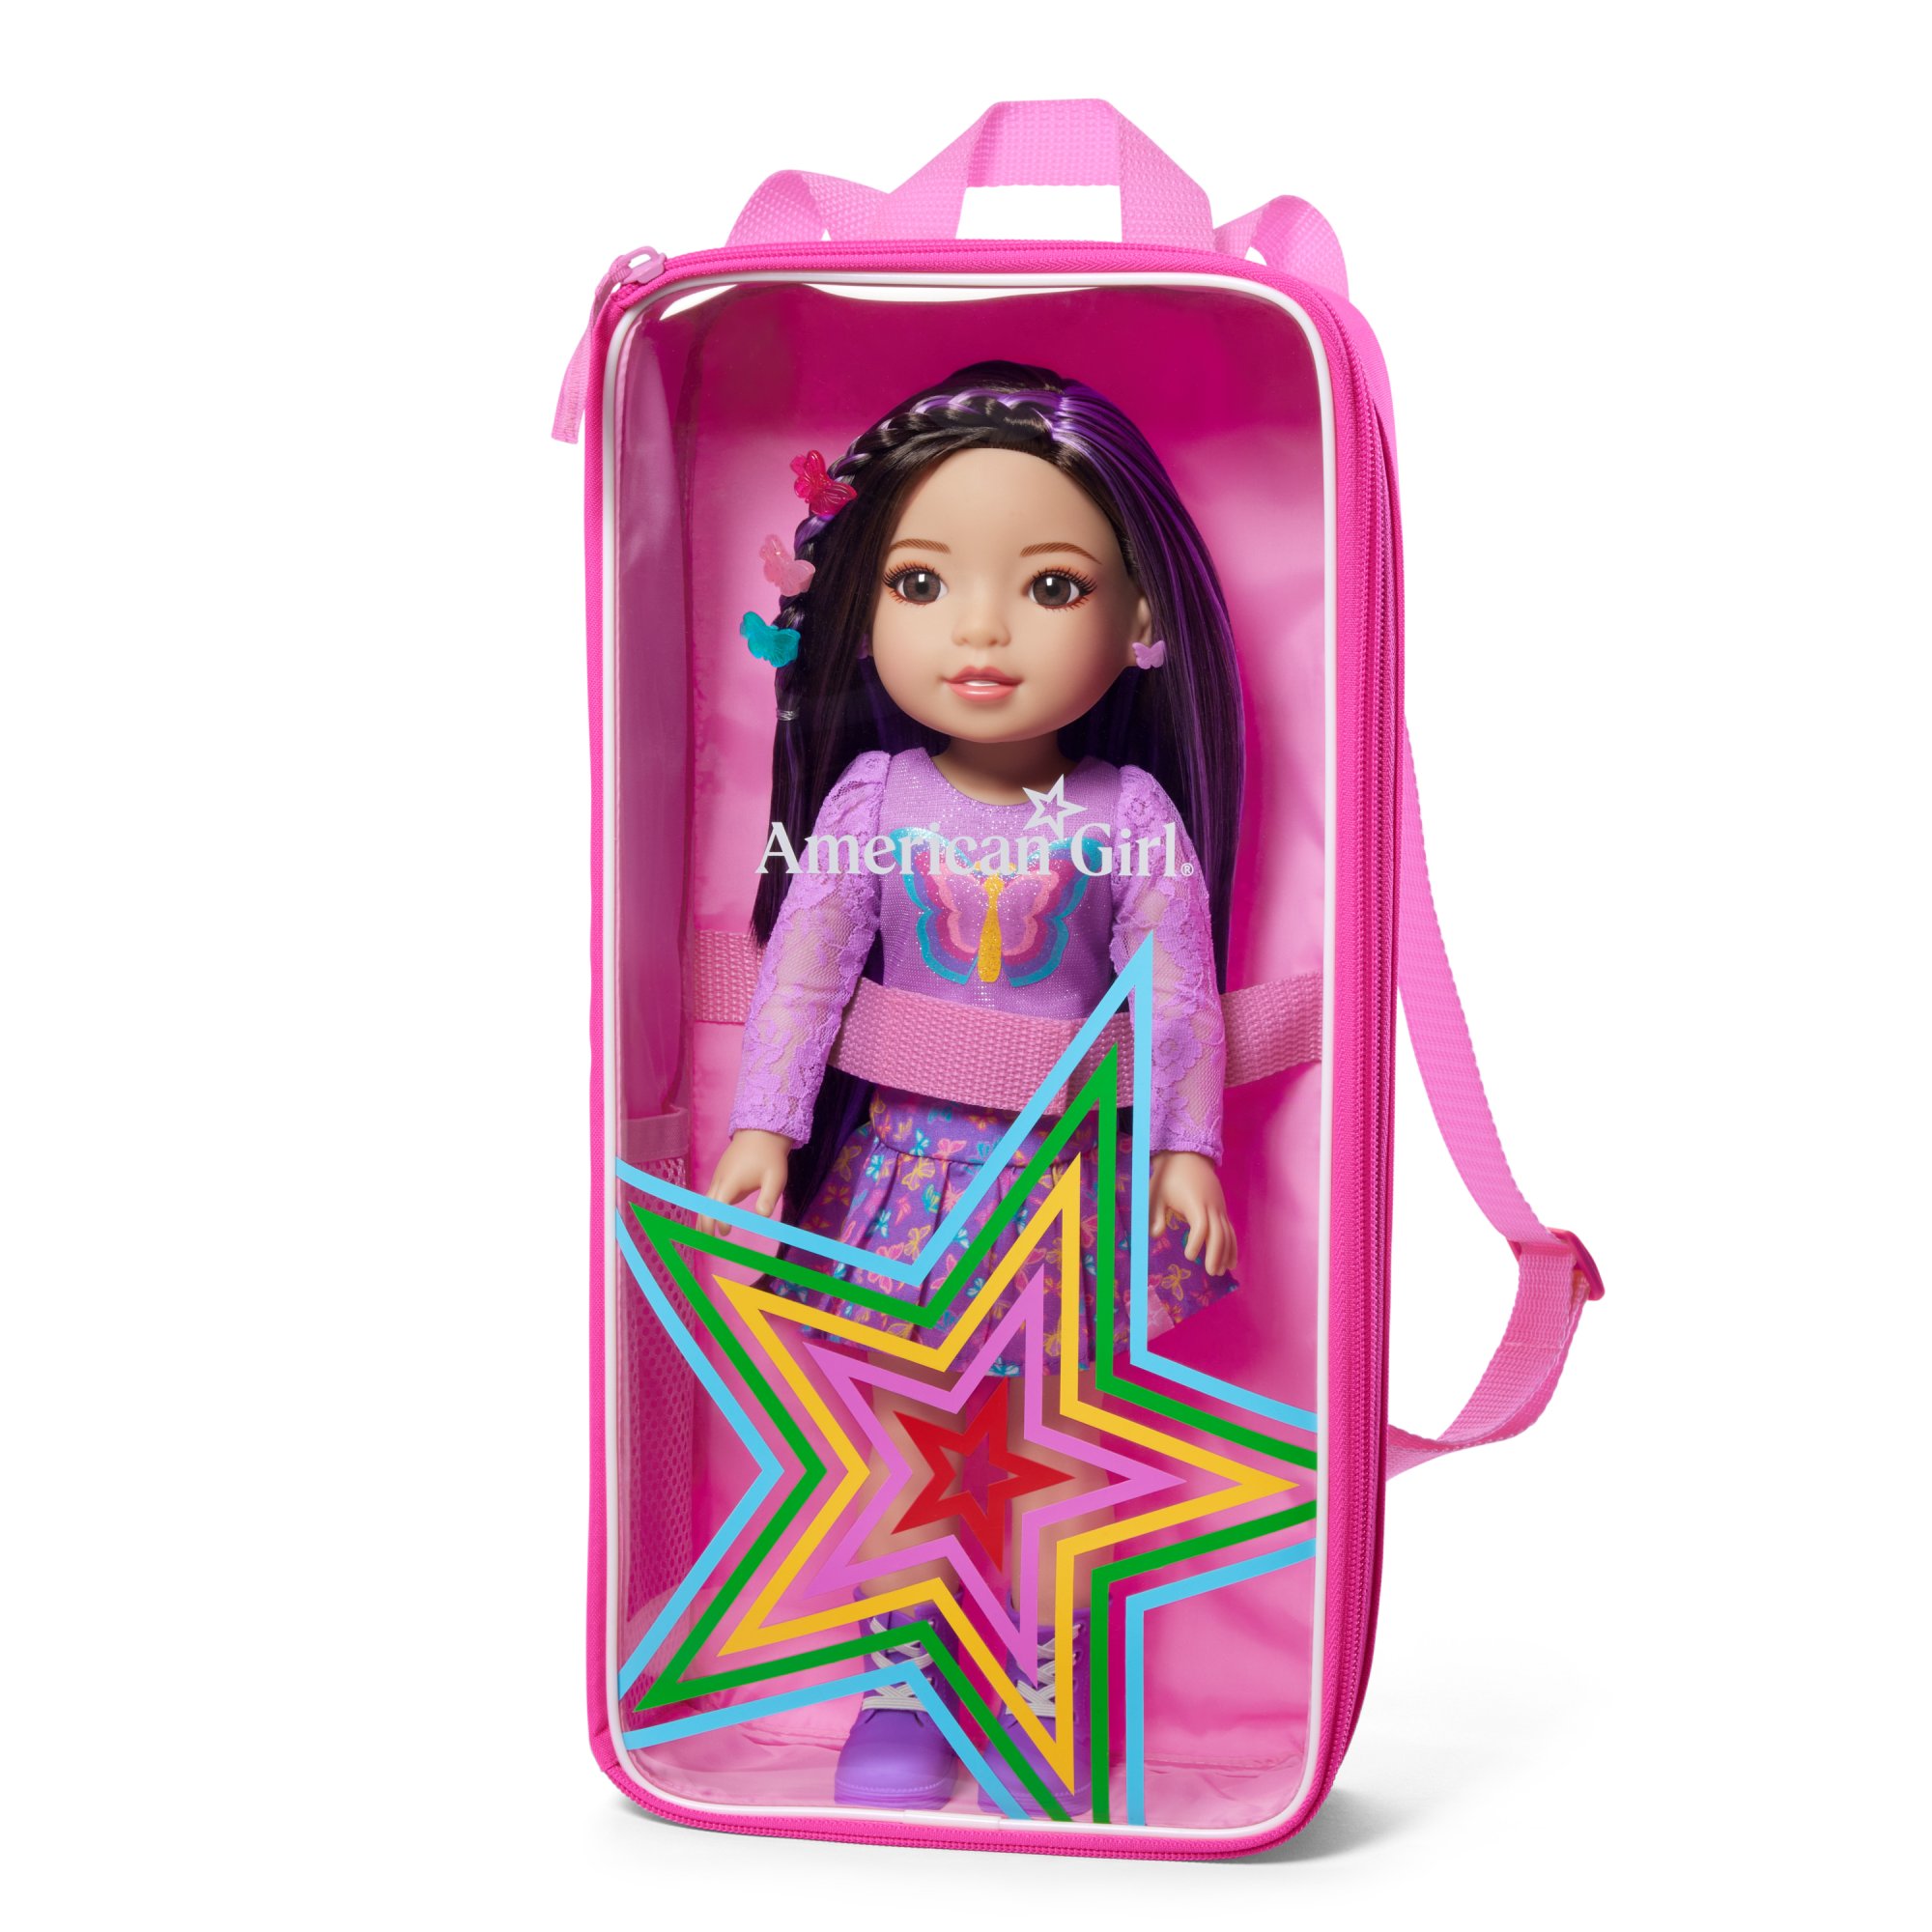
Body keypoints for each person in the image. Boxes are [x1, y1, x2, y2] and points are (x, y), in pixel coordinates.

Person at [699, 363, 1246, 1814]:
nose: (981, 630)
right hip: (902, 1188)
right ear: (862, 605)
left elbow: (1175, 991)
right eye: (922, 582)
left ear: (1142, 623)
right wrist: (764, 1129)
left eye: (1052, 587)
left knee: (1058, 1451)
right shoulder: (870, 799)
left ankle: (1045, 1685)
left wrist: (1186, 1148)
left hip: (1066, 1203)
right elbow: (806, 971)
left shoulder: (1131, 815)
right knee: (897, 1446)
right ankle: (901, 1683)